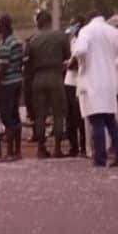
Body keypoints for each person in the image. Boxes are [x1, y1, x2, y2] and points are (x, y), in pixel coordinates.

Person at [73, 11, 118, 167]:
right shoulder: (113, 32)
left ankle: (100, 158)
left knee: (96, 120)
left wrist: (81, 63)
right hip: (109, 81)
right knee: (110, 120)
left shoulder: (86, 31)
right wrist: (115, 65)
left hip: (92, 81)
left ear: (88, 19)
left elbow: (80, 50)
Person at [26, 10, 70, 158]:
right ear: (50, 21)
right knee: (58, 113)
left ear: (39, 23)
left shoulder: (32, 40)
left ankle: (40, 148)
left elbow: (28, 63)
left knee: (40, 115)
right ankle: (57, 148)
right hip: (55, 77)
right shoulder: (60, 36)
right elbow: (67, 56)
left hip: (38, 78)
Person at [0, 14, 24, 162]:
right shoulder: (17, 41)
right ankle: (17, 151)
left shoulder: (5, 44)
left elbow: (2, 68)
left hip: (7, 84)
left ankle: (9, 152)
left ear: (2, 25)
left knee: (6, 117)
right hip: (17, 81)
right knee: (15, 115)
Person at [64, 16, 86, 157]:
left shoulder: (83, 42)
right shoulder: (72, 41)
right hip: (69, 82)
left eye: (73, 25)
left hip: (79, 82)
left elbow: (75, 63)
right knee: (70, 117)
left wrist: (68, 63)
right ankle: (74, 147)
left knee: (80, 117)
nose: (71, 29)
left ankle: (83, 146)